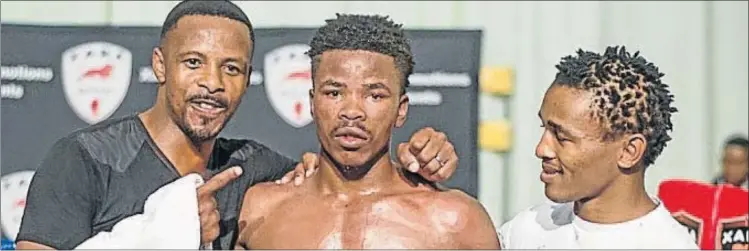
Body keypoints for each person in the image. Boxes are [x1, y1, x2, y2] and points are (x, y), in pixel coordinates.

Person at [15, 1, 460, 250]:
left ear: (248, 79)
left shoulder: (256, 169)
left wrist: (419, 159)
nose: (212, 83)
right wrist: (163, 234)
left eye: (232, 68)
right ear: (159, 64)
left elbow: (332, 178)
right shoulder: (85, 159)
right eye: (194, 63)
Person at [233, 14, 500, 250]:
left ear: (401, 109)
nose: (352, 111)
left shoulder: (456, 221)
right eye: (334, 93)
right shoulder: (258, 211)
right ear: (313, 103)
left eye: (374, 95)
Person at [498, 46, 699, 249]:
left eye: (561, 137)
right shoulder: (527, 229)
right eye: (545, 128)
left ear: (629, 152)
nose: (542, 149)